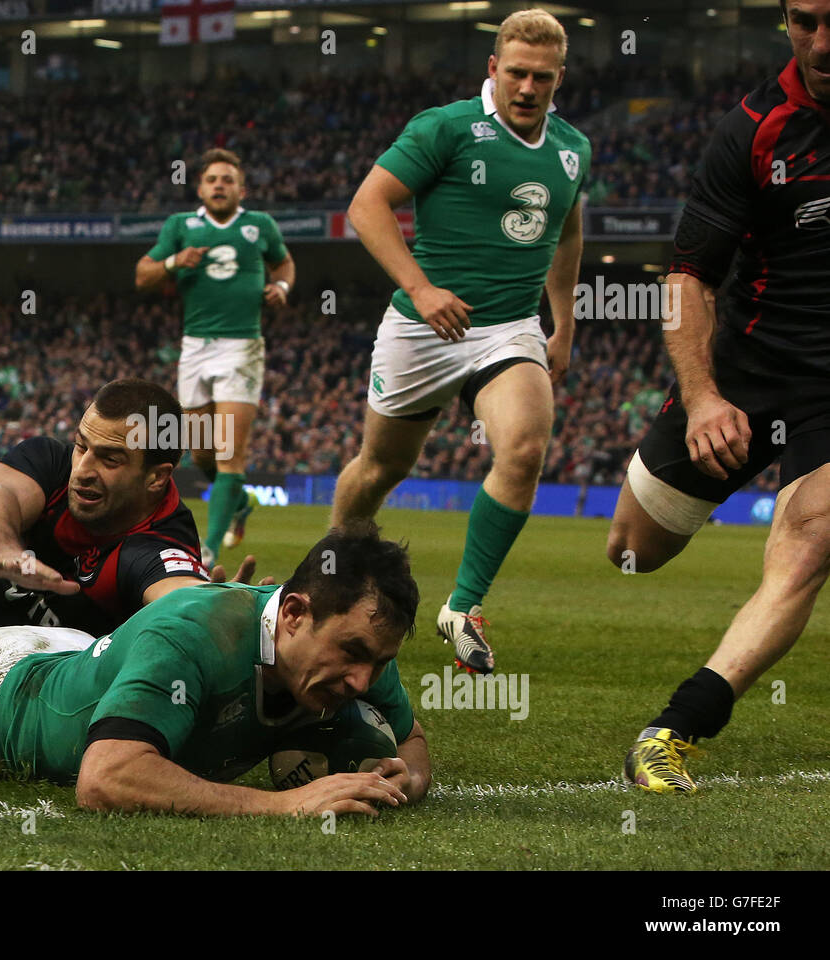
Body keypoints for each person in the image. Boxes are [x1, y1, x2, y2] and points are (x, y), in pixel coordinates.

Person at [0, 428, 430, 817]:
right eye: (352, 654)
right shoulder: (192, 631)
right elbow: (105, 780)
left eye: (375, 661)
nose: (365, 678)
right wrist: (289, 804)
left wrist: (397, 779)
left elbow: (414, 741)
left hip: (67, 658)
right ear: (293, 612)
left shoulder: (357, 646)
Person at [612, 0, 830, 793]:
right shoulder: (752, 129)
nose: (823, 43)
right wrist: (702, 398)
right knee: (635, 552)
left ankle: (675, 728)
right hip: (741, 376)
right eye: (806, 20)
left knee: (809, 546)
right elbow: (687, 276)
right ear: (784, 19)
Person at [330, 8, 587, 675]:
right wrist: (420, 289)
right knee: (381, 469)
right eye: (518, 74)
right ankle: (334, 565)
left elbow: (567, 232)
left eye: (543, 78)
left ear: (560, 78)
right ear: (494, 69)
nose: (529, 89)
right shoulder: (445, 128)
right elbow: (367, 206)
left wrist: (562, 324)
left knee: (526, 448)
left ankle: (462, 606)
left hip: (507, 330)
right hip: (422, 328)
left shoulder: (573, 149)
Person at [0, 378, 257, 644]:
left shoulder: (159, 544)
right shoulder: (51, 461)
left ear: (156, 477)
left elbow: (178, 594)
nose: (83, 469)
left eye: (110, 459)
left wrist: (219, 617)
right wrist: (2, 550)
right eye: (82, 446)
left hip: (26, 663)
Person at [135, 148, 296, 569]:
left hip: (241, 347)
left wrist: (282, 287)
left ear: (242, 189)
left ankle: (206, 550)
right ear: (200, 188)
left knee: (228, 454)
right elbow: (142, 275)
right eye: (212, 180)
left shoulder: (259, 225)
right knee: (202, 453)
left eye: (228, 179)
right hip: (194, 347)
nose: (219, 185)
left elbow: (285, 263)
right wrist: (173, 261)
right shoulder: (181, 227)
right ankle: (240, 502)